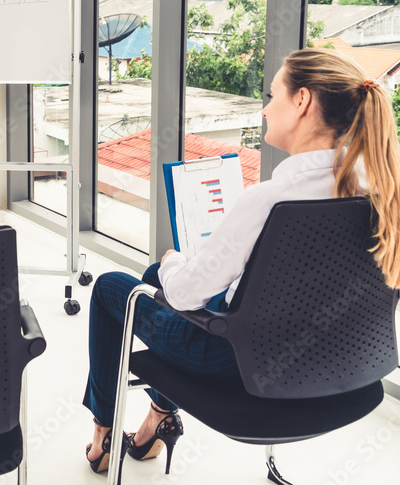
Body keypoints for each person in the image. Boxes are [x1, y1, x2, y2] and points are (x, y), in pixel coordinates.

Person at [81, 47, 400, 474]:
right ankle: (158, 418)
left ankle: (103, 434)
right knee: (162, 277)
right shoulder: (381, 192)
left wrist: (176, 259)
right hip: (342, 361)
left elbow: (181, 293)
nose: (266, 109)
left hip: (239, 365)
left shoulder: (269, 200)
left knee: (115, 286)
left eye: (273, 96)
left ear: (302, 101)